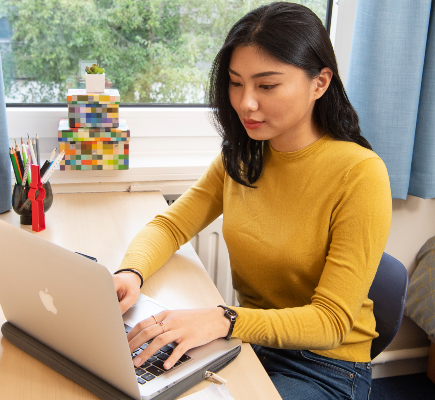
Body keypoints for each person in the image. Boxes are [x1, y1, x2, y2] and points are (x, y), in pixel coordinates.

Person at [111, 2, 391, 399]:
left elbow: (331, 322)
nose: (245, 103)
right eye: (236, 82)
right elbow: (171, 225)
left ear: (320, 82)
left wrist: (223, 320)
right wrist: (130, 273)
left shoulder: (360, 174)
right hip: (248, 342)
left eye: (267, 85)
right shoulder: (244, 154)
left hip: (326, 365)